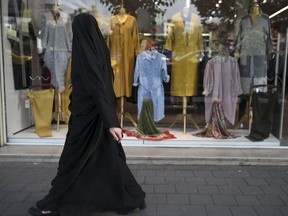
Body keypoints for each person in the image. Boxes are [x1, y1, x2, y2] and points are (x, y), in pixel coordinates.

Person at [29, 13, 146, 216]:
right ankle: (134, 196)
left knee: (71, 160)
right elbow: (100, 83)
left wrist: (112, 123)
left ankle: (52, 203)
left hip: (87, 119)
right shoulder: (99, 50)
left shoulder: (85, 54)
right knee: (110, 158)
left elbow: (98, 88)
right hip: (96, 115)